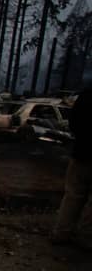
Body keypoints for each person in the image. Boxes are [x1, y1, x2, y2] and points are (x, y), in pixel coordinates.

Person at [52, 84, 91, 248]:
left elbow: (73, 122)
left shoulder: (88, 94)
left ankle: (62, 232)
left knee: (73, 194)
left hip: (82, 153)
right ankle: (87, 237)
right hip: (83, 152)